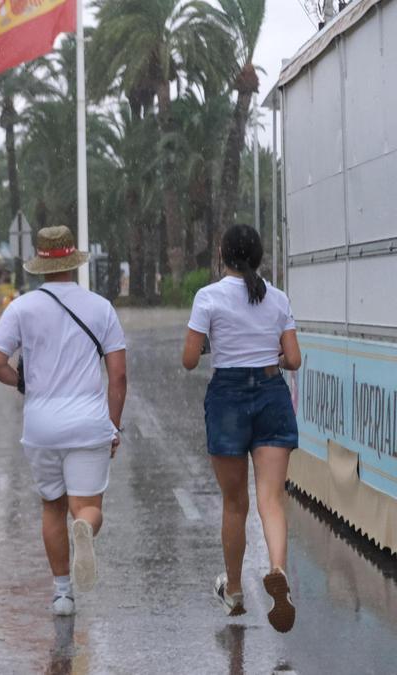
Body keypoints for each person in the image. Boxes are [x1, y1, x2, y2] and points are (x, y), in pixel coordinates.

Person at [0, 226, 128, 617]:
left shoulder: (21, 308)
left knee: (51, 507)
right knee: (86, 508)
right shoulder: (100, 307)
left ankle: (62, 593)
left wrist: (24, 383)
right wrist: (113, 425)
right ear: (73, 262)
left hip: (41, 425)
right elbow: (117, 375)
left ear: (41, 265)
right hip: (87, 422)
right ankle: (84, 529)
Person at [182, 224, 300, 633]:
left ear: (222, 254)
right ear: (260, 256)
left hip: (229, 398)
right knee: (272, 499)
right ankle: (278, 570)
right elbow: (294, 358)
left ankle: (233, 591)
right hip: (271, 393)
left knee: (235, 504)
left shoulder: (208, 298)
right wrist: (270, 357)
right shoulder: (278, 297)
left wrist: (218, 340)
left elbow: (189, 359)